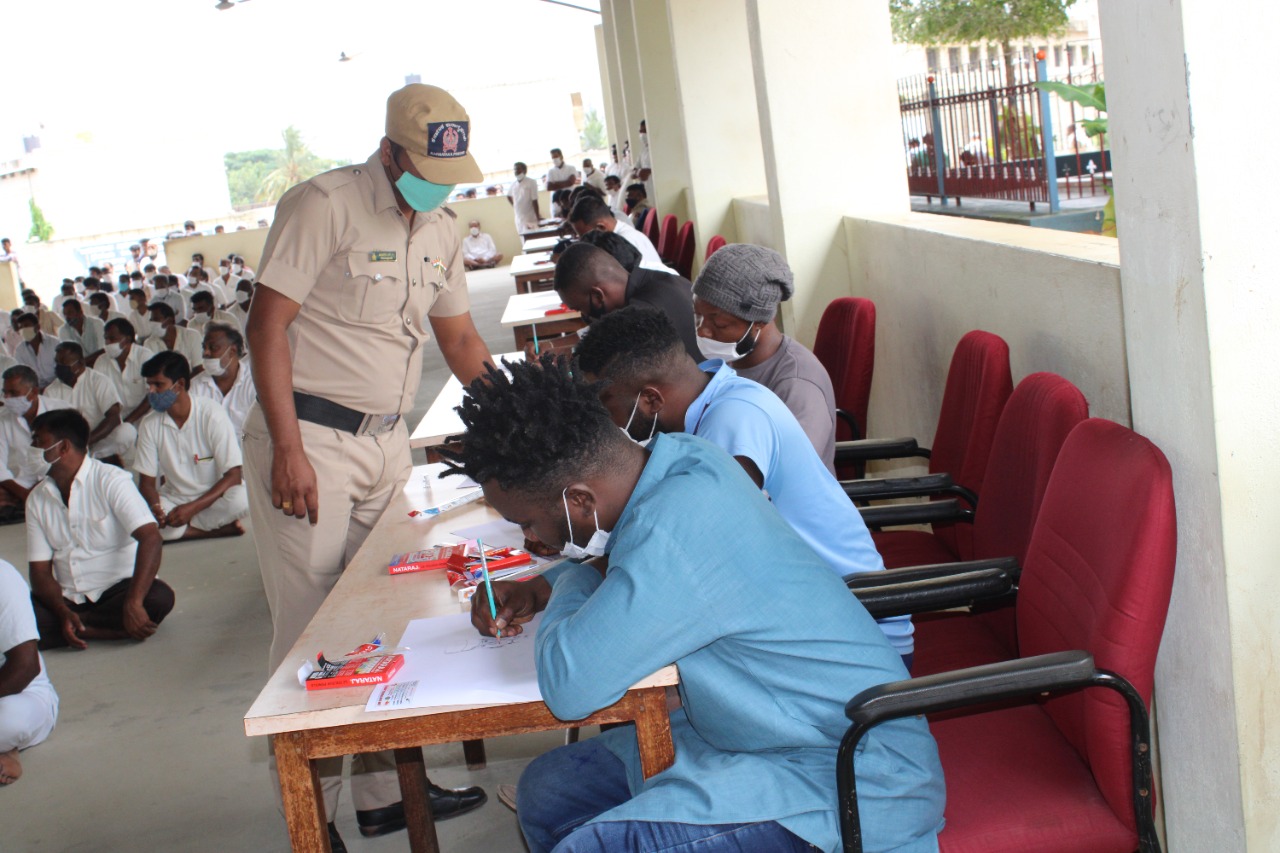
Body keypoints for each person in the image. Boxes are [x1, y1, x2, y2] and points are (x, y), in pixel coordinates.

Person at [446, 354, 945, 853]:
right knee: (549, 791)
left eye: (527, 522)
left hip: (847, 772)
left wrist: (568, 581)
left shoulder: (674, 530)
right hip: (751, 729)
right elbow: (632, 573)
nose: (529, 538)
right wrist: (545, 584)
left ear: (580, 500)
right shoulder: (681, 460)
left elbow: (568, 685)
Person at [243, 82, 491, 841]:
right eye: (422, 169)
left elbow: (462, 344)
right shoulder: (325, 206)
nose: (436, 188)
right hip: (309, 441)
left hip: (387, 441)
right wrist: (287, 449)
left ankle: (385, 794)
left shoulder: (443, 228)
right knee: (311, 633)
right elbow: (266, 327)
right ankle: (312, 821)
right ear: (389, 151)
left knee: (391, 614)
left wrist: (530, 422)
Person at [575, 306, 914, 661]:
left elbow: (689, 554)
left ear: (650, 399)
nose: (604, 419)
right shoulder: (700, 408)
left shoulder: (732, 421)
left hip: (858, 638)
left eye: (606, 404)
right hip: (805, 614)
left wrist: (573, 584)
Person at [26, 409, 173, 651]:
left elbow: (150, 538)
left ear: (63, 448)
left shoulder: (111, 480)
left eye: (38, 441)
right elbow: (39, 572)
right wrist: (63, 612)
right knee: (13, 611)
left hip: (117, 590)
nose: (32, 448)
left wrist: (134, 603)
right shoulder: (37, 499)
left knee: (158, 598)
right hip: (68, 599)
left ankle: (78, 629)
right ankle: (98, 629)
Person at [692, 245, 837, 471]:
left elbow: (792, 471)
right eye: (698, 317)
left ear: (759, 322)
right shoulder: (730, 362)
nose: (702, 331)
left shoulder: (797, 384)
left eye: (718, 323)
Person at [134, 352, 247, 542]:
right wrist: (156, 509)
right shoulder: (149, 424)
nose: (151, 392)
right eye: (149, 385)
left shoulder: (211, 413)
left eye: (158, 385)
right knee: (142, 518)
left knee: (242, 499)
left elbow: (234, 475)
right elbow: (146, 483)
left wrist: (191, 509)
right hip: (174, 500)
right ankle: (215, 530)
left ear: (179, 385)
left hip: (213, 498)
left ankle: (184, 530)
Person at [552, 243, 701, 360]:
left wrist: (566, 353)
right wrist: (554, 346)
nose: (583, 315)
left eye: (580, 308)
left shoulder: (640, 316)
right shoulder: (659, 278)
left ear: (598, 296)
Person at [0, 559, 58, 786]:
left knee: (10, 720)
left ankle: (9, 743)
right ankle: (5, 747)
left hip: (17, 691)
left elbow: (25, 667)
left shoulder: (3, 577)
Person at [44, 343, 137, 464]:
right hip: (69, 444)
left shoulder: (98, 381)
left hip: (99, 438)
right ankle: (88, 459)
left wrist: (86, 441)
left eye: (64, 363)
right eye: (57, 363)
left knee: (127, 431)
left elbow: (114, 417)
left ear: (81, 363)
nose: (59, 367)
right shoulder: (50, 391)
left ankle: (94, 457)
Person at [0, 366, 72, 519]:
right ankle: (31, 504)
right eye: (4, 392)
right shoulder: (3, 418)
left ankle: (26, 506)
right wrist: (23, 493)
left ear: (33, 392)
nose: (6, 398)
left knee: (72, 487)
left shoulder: (61, 411)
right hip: (24, 482)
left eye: (13, 393)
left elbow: (74, 457)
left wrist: (31, 494)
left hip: (58, 477)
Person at [568, 196, 676, 275]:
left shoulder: (624, 242)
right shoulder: (620, 234)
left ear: (601, 227)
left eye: (584, 235)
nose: (583, 241)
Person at [191, 324, 254, 438]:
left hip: (248, 453)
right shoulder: (196, 386)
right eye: (204, 347)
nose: (206, 353)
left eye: (213, 348)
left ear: (232, 350)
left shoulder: (253, 384)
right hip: (210, 454)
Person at [95, 318, 151, 426]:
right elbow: (100, 396)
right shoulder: (101, 361)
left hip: (145, 417)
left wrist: (128, 422)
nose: (107, 343)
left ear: (127, 339)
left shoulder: (145, 357)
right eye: (106, 339)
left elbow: (152, 395)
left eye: (112, 339)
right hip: (116, 420)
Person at [144, 301, 204, 373]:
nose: (152, 323)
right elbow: (152, 372)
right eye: (151, 320)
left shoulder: (192, 336)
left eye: (156, 319)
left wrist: (182, 384)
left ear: (169, 320)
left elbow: (199, 369)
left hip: (193, 382)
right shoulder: (149, 343)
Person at [13, 312, 57, 388]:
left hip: (57, 386)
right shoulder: (19, 350)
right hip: (36, 389)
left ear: (37, 327)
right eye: (20, 327)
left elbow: (62, 368)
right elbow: (23, 375)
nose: (23, 330)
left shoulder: (54, 343)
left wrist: (51, 388)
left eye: (26, 326)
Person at [58, 299, 106, 364]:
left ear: (80, 312)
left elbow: (103, 350)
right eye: (65, 314)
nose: (67, 317)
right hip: (81, 368)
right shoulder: (63, 330)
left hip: (101, 363)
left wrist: (83, 362)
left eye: (70, 313)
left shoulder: (97, 323)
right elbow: (70, 357)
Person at [506, 161, 541, 233]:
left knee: (533, 236)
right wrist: (515, 205)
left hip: (530, 216)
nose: (516, 171)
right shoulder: (513, 184)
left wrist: (538, 216)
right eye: (515, 169)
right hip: (519, 217)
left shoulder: (531, 182)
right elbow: (508, 196)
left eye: (518, 169)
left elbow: (534, 200)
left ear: (524, 170)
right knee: (523, 239)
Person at [632, 117, 652, 182]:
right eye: (641, 132)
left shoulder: (659, 149)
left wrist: (649, 171)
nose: (642, 134)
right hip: (646, 187)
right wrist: (638, 172)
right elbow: (634, 170)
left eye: (645, 131)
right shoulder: (643, 151)